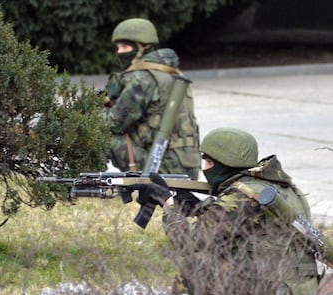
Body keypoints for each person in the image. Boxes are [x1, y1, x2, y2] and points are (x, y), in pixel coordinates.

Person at [128, 127, 320, 295]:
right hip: (297, 285)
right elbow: (239, 225)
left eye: (208, 162)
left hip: (268, 286)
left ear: (222, 163)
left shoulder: (244, 195)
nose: (204, 168)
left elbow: (188, 240)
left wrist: (167, 201)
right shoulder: (281, 188)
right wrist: (194, 206)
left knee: (193, 272)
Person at [102, 18, 200, 180]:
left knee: (102, 133)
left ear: (142, 48)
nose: (119, 52)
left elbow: (114, 122)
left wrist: (95, 112)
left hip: (161, 164)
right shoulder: (172, 73)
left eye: (125, 47)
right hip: (188, 163)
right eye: (118, 47)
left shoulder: (143, 78)